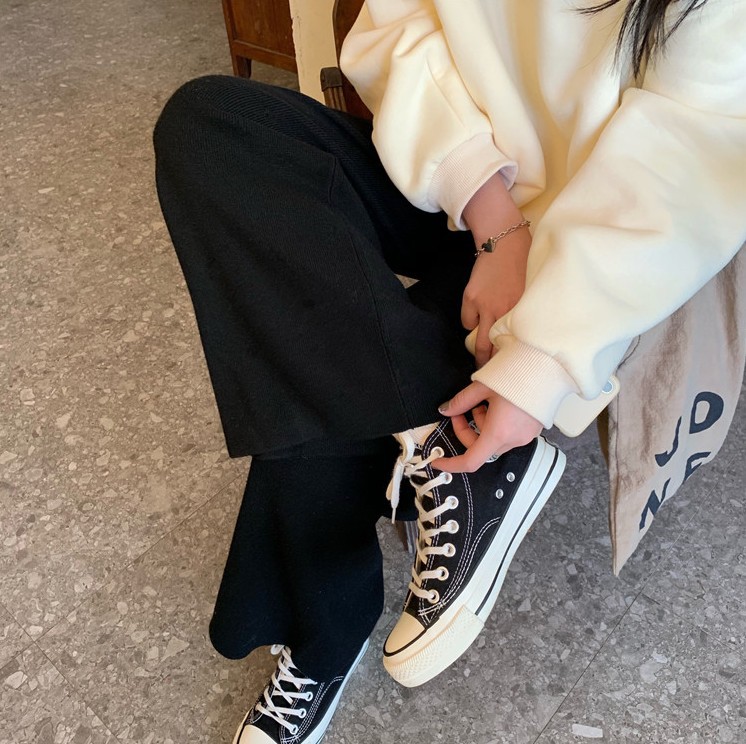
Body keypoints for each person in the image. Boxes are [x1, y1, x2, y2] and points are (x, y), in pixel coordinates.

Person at [153, 0, 746, 741]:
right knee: (210, 124)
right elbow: (397, 19)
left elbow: (689, 163)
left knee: (318, 345)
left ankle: (322, 643)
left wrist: (537, 364)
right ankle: (452, 458)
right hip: (452, 174)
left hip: (587, 245)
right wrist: (493, 219)